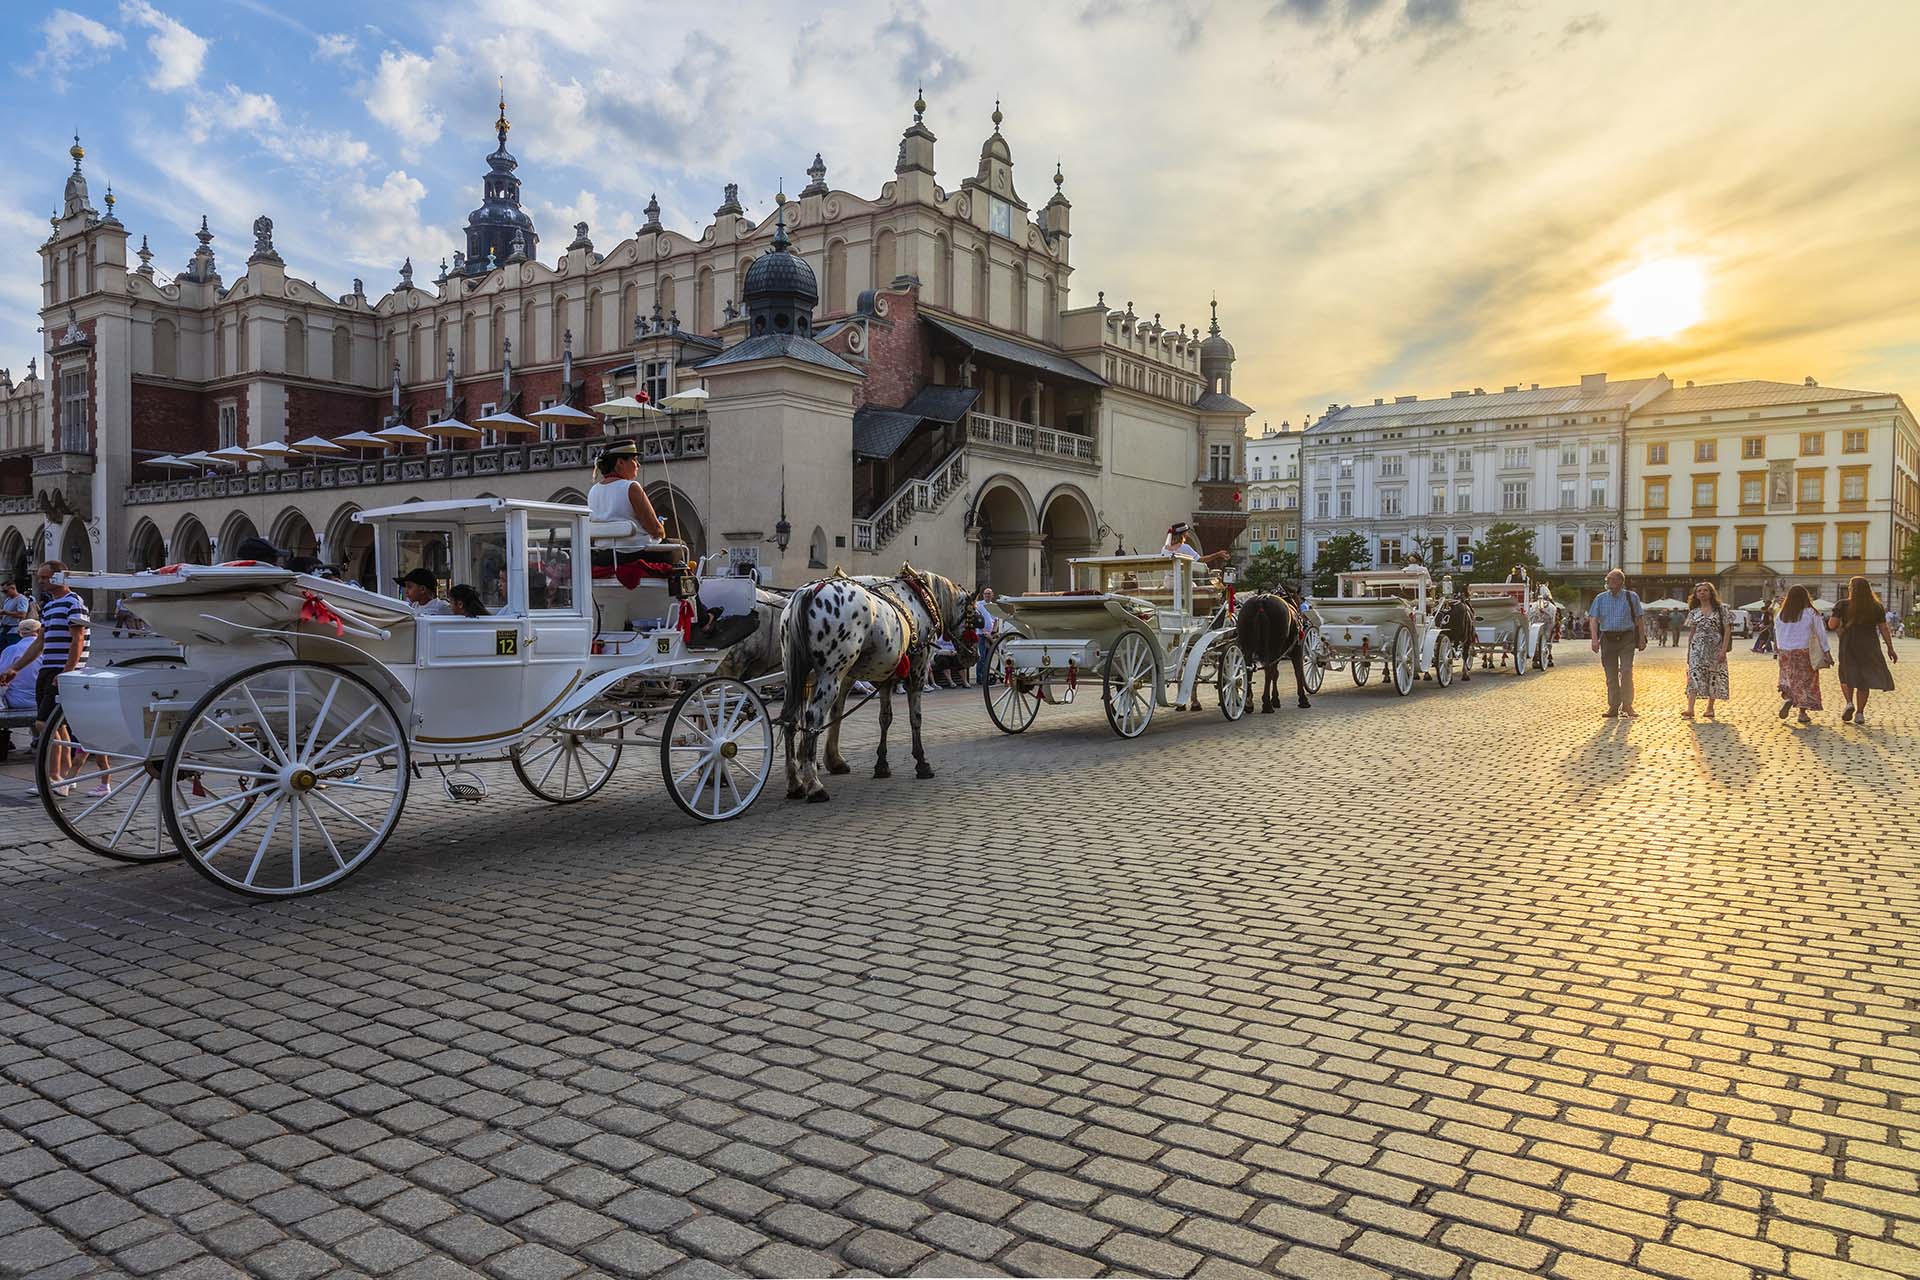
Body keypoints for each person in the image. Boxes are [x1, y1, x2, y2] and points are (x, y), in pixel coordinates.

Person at [0, 561, 92, 795]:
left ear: (60, 577)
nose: (40, 581)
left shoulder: (73, 602)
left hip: (61, 669)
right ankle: (62, 777)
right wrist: (15, 669)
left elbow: (78, 640)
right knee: (54, 725)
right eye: (40, 577)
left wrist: (67, 671)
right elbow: (40, 643)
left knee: (44, 724)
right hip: (48, 669)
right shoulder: (50, 606)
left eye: (44, 577)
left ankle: (55, 777)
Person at [587, 440, 666, 568]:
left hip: (604, 555)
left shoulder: (593, 490)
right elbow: (654, 529)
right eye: (634, 460)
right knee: (679, 546)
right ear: (620, 462)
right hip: (632, 553)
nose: (638, 465)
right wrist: (661, 528)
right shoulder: (631, 487)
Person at [1832, 575, 1897, 725]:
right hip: (1869, 644)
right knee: (1863, 678)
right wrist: (1890, 648)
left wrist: (1839, 619)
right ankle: (1860, 713)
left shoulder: (1842, 605)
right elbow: (1883, 628)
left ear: (1851, 589)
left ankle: (1849, 703)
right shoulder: (1876, 606)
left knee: (1846, 674)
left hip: (1849, 643)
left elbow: (1832, 624)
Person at [1588, 570, 1645, 718]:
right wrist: (1594, 639)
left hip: (1627, 637)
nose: (1609, 582)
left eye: (1612, 579)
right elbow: (1593, 619)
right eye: (1608, 580)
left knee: (1626, 670)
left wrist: (1641, 639)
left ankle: (1627, 705)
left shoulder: (1631, 597)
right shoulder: (1600, 598)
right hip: (1607, 638)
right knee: (1611, 674)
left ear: (1621, 581)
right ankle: (1613, 706)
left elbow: (1639, 619)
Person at [1772, 584, 1830, 726]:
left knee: (1788, 678)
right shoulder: (1811, 612)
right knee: (1806, 682)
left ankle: (1788, 698)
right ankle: (1802, 714)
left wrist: (1778, 649)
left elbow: (1777, 632)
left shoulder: (1781, 613)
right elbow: (1820, 633)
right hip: (1804, 651)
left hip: (1785, 651)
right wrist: (1826, 652)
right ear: (1806, 597)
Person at [1681, 582, 1731, 720]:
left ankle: (1710, 707)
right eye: (1699, 591)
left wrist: (1723, 650)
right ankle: (1690, 708)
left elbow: (1727, 630)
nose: (1702, 593)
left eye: (1705, 590)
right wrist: (1689, 651)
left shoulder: (1721, 610)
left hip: (1715, 647)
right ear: (1696, 594)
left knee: (1713, 675)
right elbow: (1692, 631)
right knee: (1693, 675)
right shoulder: (1694, 612)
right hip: (1697, 648)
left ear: (1711, 593)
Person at [1163, 523, 1229, 567]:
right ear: (1182, 535)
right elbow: (1201, 560)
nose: (1187, 535)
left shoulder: (1164, 549)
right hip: (1181, 581)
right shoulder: (1185, 547)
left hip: (1168, 582)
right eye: (1186, 532)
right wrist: (1218, 554)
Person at [974, 588, 998, 687]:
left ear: (992, 595)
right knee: (982, 656)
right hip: (981, 634)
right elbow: (976, 619)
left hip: (990, 635)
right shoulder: (979, 605)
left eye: (989, 594)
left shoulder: (993, 606)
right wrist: (984, 632)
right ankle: (980, 678)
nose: (987, 595)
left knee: (988, 657)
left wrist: (992, 633)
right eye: (985, 594)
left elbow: (996, 620)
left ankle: (986, 675)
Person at [0, 579, 27, 650]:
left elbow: (22, 614)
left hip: (14, 631)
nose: (4, 593)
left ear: (13, 588)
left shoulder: (21, 599)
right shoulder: (8, 599)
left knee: (12, 650)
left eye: (6, 591)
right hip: (4, 630)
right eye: (3, 592)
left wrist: (5, 612)